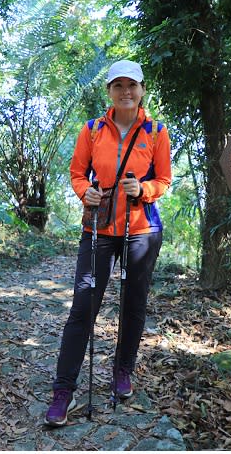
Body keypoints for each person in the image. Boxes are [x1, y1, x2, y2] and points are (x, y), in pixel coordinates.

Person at [44, 60, 172, 426]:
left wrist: (144, 189)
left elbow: (163, 179)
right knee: (83, 308)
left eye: (132, 85)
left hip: (142, 230)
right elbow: (76, 172)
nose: (126, 92)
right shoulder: (92, 130)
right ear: (109, 92)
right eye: (118, 86)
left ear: (142, 89)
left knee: (133, 306)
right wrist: (87, 193)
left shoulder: (157, 132)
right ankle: (63, 390)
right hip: (99, 229)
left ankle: (122, 371)